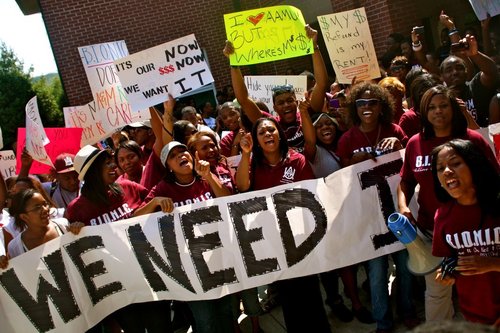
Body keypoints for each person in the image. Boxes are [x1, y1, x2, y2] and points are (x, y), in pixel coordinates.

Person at [397, 85, 498, 323]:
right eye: (431, 107)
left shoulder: (472, 139)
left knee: (486, 285)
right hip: (434, 232)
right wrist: (403, 207)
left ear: (453, 108)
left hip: (480, 231)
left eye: (443, 105)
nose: (438, 111)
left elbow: (494, 177)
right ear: (423, 112)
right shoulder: (414, 143)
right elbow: (405, 181)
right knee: (438, 290)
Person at [235, 117, 331, 333]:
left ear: (280, 134)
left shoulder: (297, 160)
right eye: (262, 133)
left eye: (271, 130)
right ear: (256, 140)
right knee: (288, 296)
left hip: (302, 239)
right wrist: (245, 153)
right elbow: (241, 185)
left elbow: (308, 196)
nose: (268, 134)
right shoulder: (252, 165)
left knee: (310, 294)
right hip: (275, 243)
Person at [66, 145, 172, 333]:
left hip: (147, 272)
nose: (114, 166)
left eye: (111, 161)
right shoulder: (77, 209)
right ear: (92, 172)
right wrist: (76, 231)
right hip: (117, 285)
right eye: (106, 164)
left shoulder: (128, 187)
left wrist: (156, 202)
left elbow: (150, 211)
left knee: (161, 325)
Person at [337, 82, 417, 333]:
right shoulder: (347, 139)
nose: (367, 107)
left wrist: (399, 146)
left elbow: (409, 166)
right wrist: (352, 163)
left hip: (396, 211)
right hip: (369, 218)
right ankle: (383, 321)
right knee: (377, 271)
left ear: (382, 106)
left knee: (405, 266)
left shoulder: (394, 130)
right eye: (361, 103)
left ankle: (408, 311)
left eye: (373, 102)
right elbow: (340, 182)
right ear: (354, 108)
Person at [135, 141, 233, 333]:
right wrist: (154, 202)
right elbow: (134, 220)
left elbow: (227, 200)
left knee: (226, 312)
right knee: (205, 320)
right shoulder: (162, 188)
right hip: (189, 268)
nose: (181, 156)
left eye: (183, 152)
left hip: (219, 259)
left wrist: (210, 177)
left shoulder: (205, 177)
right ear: (168, 167)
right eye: (173, 156)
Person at [224, 24, 328, 154]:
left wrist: (314, 47)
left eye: (290, 100)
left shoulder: (307, 111)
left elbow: (322, 84)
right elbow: (243, 100)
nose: (286, 105)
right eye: (280, 103)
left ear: (296, 101)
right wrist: (234, 63)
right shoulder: (270, 124)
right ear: (274, 107)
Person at [430, 139, 500, 326]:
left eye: (455, 163)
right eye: (440, 168)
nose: (446, 171)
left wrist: (492, 264)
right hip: (475, 317)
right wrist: (446, 273)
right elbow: (450, 260)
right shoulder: (443, 217)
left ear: (474, 164)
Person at [0, 189, 83, 269]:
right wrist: (4, 264)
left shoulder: (63, 226)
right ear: (24, 217)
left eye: (45, 204)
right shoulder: (15, 247)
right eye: (37, 208)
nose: (45, 209)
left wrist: (80, 230)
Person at [440, 34, 498, 127]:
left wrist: (475, 54)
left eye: (459, 68)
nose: (455, 72)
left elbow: (492, 72)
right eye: (449, 70)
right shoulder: (440, 99)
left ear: (466, 72)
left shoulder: (475, 86)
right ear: (442, 76)